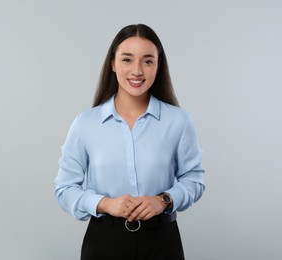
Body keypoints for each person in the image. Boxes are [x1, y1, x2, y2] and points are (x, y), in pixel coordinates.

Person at [55, 24, 205, 260]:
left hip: (162, 242)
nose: (137, 71)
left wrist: (163, 200)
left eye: (147, 61)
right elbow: (64, 189)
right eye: (127, 60)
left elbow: (194, 179)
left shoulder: (179, 121)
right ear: (113, 64)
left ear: (158, 66)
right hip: (104, 242)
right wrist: (104, 204)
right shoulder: (86, 123)